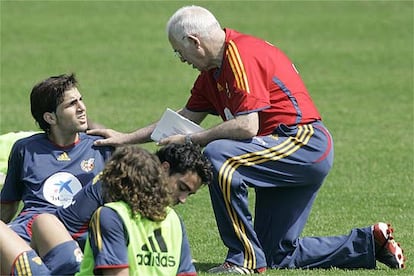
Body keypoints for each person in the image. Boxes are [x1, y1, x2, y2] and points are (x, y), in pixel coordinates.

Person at [87, 5, 406, 273]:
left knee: (218, 155)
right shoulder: (210, 74)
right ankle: (369, 243)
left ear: (194, 42)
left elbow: (247, 126)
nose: (180, 58)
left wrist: (196, 139)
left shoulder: (239, 54)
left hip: (303, 144)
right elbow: (180, 122)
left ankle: (242, 258)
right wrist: (125, 138)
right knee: (278, 253)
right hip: (282, 151)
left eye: (178, 51)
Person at [1, 146, 199, 276]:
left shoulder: (111, 215)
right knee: (45, 220)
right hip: (70, 261)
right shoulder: (174, 221)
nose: (182, 199)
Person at [0, 73, 113, 243]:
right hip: (29, 232)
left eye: (81, 100)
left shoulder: (101, 148)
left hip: (78, 234)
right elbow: (8, 206)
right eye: (72, 104)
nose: (82, 108)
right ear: (50, 117)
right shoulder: (25, 149)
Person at [54, 142, 212, 250]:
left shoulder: (141, 187)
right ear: (164, 168)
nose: (183, 199)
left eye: (189, 194)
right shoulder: (127, 189)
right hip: (59, 247)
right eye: (182, 187)